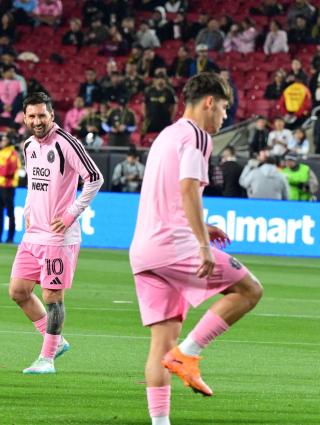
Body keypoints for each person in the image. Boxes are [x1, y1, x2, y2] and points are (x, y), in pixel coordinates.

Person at [129, 72, 263, 425]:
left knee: (161, 344)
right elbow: (188, 188)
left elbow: (171, 194)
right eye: (223, 108)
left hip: (144, 250)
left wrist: (204, 227)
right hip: (174, 245)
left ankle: (160, 422)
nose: (224, 117)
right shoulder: (198, 136)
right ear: (208, 102)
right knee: (249, 290)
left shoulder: (166, 135)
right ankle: (188, 354)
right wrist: (202, 244)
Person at [9, 92, 103, 374]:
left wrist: (71, 213)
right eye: (32, 116)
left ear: (52, 115)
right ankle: (57, 341)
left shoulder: (66, 143)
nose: (37, 121)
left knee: (52, 296)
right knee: (18, 291)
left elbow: (94, 178)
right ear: (25, 118)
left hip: (58, 238)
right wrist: (27, 209)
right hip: (33, 234)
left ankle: (47, 358)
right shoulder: (28, 145)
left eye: (42, 115)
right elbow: (33, 183)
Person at [0, 132, 21, 243]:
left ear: (10, 141)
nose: (2, 141)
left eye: (5, 140)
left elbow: (7, 171)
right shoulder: (0, 153)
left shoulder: (12, 154)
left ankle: (10, 237)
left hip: (8, 187)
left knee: (10, 213)